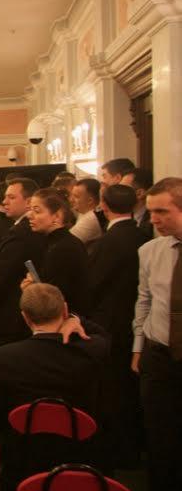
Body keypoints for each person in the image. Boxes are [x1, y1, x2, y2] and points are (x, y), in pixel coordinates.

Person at [0, 283, 105, 491]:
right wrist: (76, 320)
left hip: (22, 463)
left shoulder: (6, 357)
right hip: (79, 460)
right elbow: (104, 336)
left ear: (25, 318)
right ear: (64, 310)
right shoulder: (91, 351)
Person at [132, 176, 182, 491]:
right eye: (150, 212)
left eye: (162, 211)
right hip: (159, 359)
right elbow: (144, 300)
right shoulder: (150, 251)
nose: (154, 219)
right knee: (162, 456)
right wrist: (137, 348)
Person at [86, 183, 149, 466]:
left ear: (104, 206)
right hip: (137, 320)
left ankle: (119, 450)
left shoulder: (108, 242)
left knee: (114, 389)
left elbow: (93, 284)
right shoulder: (143, 235)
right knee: (132, 388)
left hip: (110, 322)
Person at [0, 178, 46, 349]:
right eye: (5, 197)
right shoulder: (24, 228)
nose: (4, 201)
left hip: (13, 314)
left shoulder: (21, 232)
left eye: (11, 197)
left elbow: (1, 273)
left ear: (28, 202)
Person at [23, 188, 88, 315]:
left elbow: (52, 300)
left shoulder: (63, 248)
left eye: (37, 211)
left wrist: (31, 290)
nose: (29, 215)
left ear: (57, 216)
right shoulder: (56, 243)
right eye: (30, 210)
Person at [70, 178, 104, 247]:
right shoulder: (83, 210)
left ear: (90, 201)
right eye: (71, 195)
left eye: (76, 196)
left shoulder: (91, 218)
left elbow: (66, 243)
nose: (71, 200)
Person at [126, 167, 156, 239]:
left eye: (122, 189)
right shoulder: (123, 216)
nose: (117, 192)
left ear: (139, 193)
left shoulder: (154, 219)